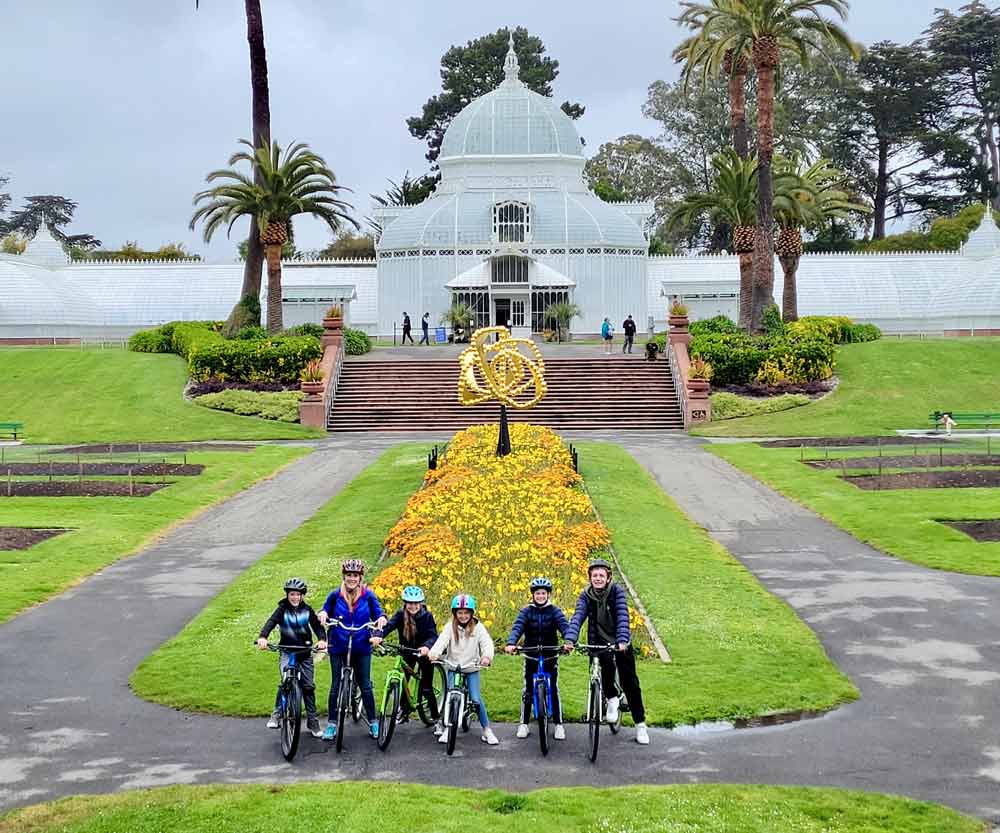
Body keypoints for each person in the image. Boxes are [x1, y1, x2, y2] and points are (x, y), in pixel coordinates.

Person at [564, 558, 650, 745]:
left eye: (601, 575)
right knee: (604, 671)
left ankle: (640, 725)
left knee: (630, 683)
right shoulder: (586, 595)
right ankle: (611, 699)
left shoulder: (616, 592)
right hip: (599, 641)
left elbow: (622, 616)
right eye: (594, 575)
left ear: (608, 577)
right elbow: (578, 616)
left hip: (620, 641)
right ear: (590, 578)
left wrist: (621, 641)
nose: (598, 578)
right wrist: (570, 639)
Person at [317, 558, 388, 741]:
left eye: (355, 575)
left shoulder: (368, 595)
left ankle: (373, 722)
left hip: (361, 644)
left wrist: (380, 622)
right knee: (335, 685)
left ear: (360, 577)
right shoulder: (335, 595)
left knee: (365, 685)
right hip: (338, 644)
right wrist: (323, 614)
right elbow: (324, 610)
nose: (352, 579)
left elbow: (379, 613)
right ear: (344, 576)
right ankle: (332, 724)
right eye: (349, 575)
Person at [256, 577, 328, 738]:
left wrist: (322, 640)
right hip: (287, 652)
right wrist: (263, 637)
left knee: (308, 687)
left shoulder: (307, 610)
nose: (294, 597)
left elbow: (317, 626)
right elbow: (271, 622)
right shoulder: (282, 609)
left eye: (297, 594)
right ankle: (276, 714)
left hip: (305, 653)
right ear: (287, 595)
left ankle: (313, 721)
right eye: (292, 594)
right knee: (286, 681)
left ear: (302, 595)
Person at [426, 593, 498, 745]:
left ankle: (486, 730)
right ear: (455, 614)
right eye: (460, 612)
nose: (463, 616)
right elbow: (441, 642)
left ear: (472, 613)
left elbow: (487, 643)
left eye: (466, 613)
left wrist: (486, 657)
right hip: (454, 667)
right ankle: (447, 728)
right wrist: (434, 652)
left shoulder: (478, 628)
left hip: (471, 667)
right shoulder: (449, 627)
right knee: (450, 696)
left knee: (476, 699)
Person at [504, 577, 571, 741]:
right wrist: (511, 643)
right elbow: (518, 627)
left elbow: (564, 626)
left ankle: (558, 725)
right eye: (537, 593)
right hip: (531, 654)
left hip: (550, 655)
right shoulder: (526, 611)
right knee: (527, 689)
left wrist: (568, 641)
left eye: (543, 593)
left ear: (548, 594)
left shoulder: (555, 611)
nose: (540, 596)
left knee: (553, 689)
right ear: (533, 595)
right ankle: (524, 723)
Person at [371, 585, 441, 729]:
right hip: (407, 651)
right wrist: (378, 636)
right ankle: (404, 711)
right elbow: (389, 626)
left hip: (423, 653)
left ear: (420, 603)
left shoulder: (427, 616)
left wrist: (427, 647)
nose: (413, 606)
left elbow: (433, 634)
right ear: (405, 603)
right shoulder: (400, 614)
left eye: (416, 603)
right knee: (403, 680)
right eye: (410, 603)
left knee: (426, 688)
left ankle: (436, 718)